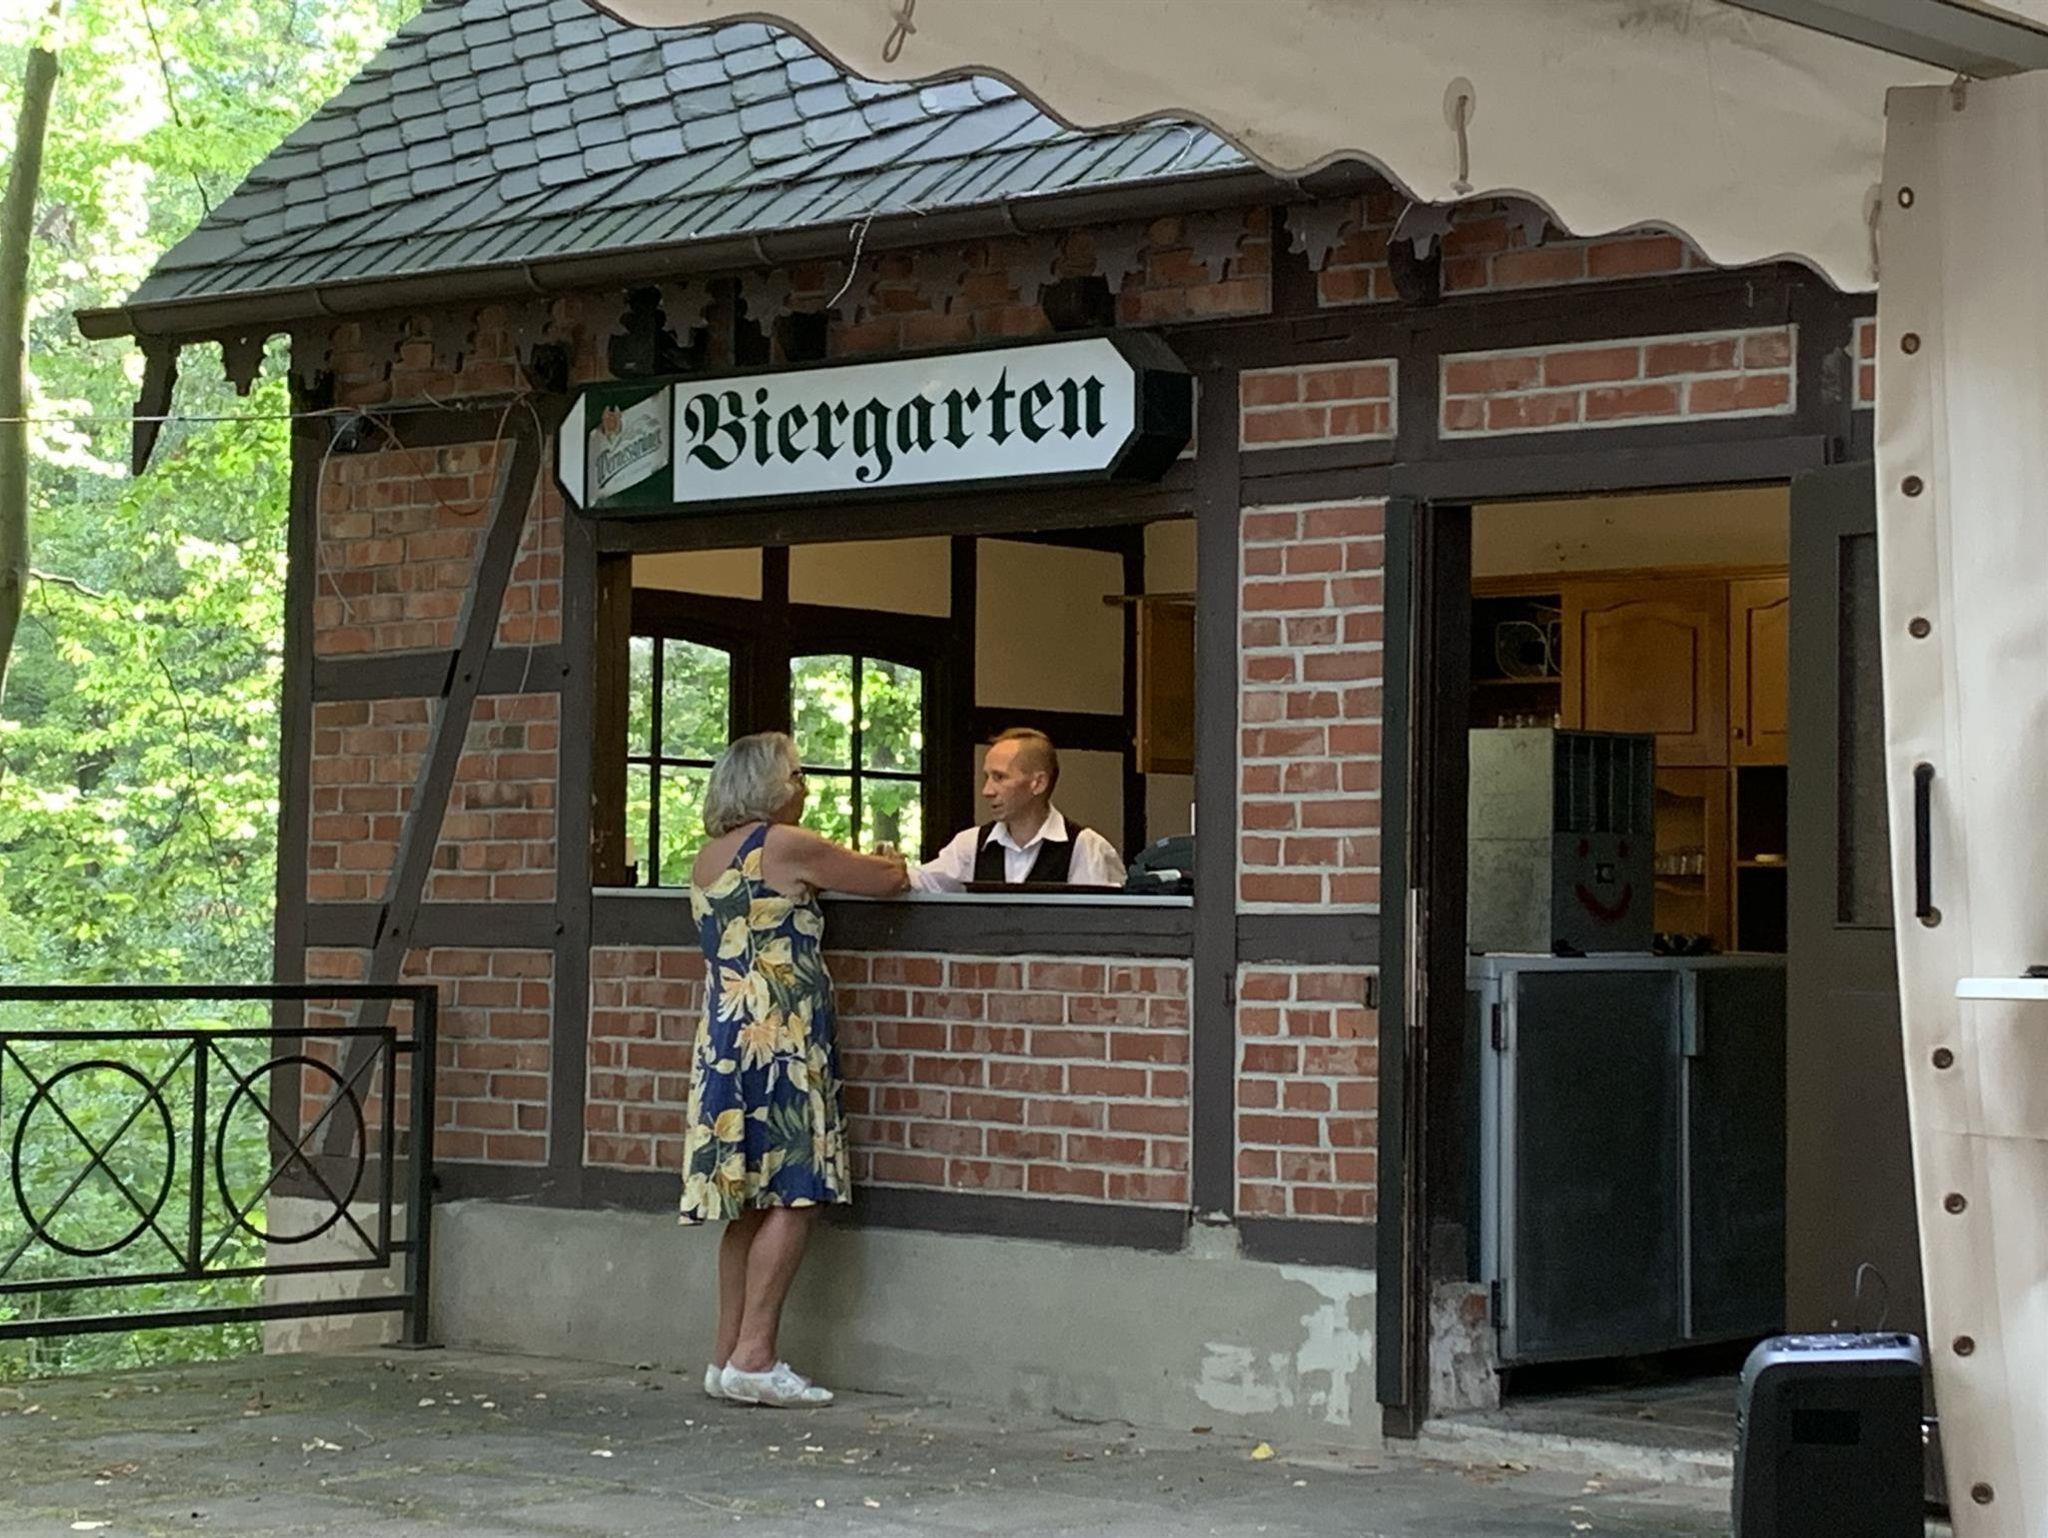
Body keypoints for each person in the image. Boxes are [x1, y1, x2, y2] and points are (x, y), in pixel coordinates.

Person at [681, 730, 908, 1408]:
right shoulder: (782, 844)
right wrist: (890, 856)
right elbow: (886, 880)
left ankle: (725, 1357)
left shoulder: (708, 858)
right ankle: (756, 1355)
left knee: (747, 1202)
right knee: (796, 1190)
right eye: (797, 775)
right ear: (770, 786)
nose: (804, 787)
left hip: (726, 1037)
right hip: (780, 1037)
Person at [914, 727, 1126, 890]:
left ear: (1038, 783)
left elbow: (1101, 926)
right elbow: (920, 883)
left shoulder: (1087, 849)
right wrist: (897, 873)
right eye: (987, 777)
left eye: (999, 777)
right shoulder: (970, 846)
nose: (987, 791)